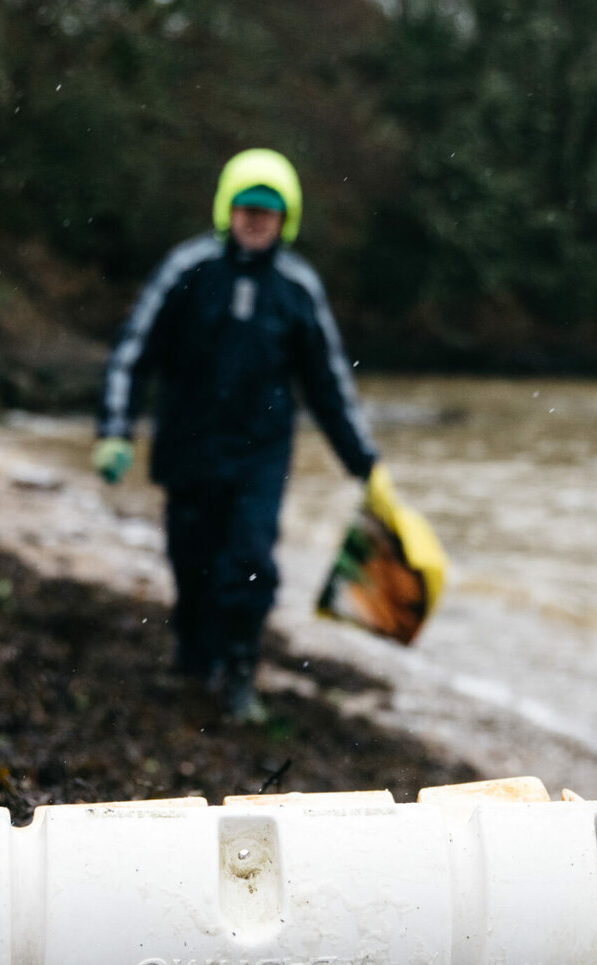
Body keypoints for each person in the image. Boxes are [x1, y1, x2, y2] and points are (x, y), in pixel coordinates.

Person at [93, 148, 380, 722]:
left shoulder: (299, 287)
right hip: (187, 447)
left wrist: (365, 463)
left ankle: (241, 671)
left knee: (250, 562)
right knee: (191, 560)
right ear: (229, 209)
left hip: (260, 457)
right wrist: (115, 429)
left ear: (286, 219)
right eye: (247, 207)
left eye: (268, 211)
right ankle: (195, 659)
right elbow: (132, 352)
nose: (256, 219)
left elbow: (328, 383)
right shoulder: (186, 269)